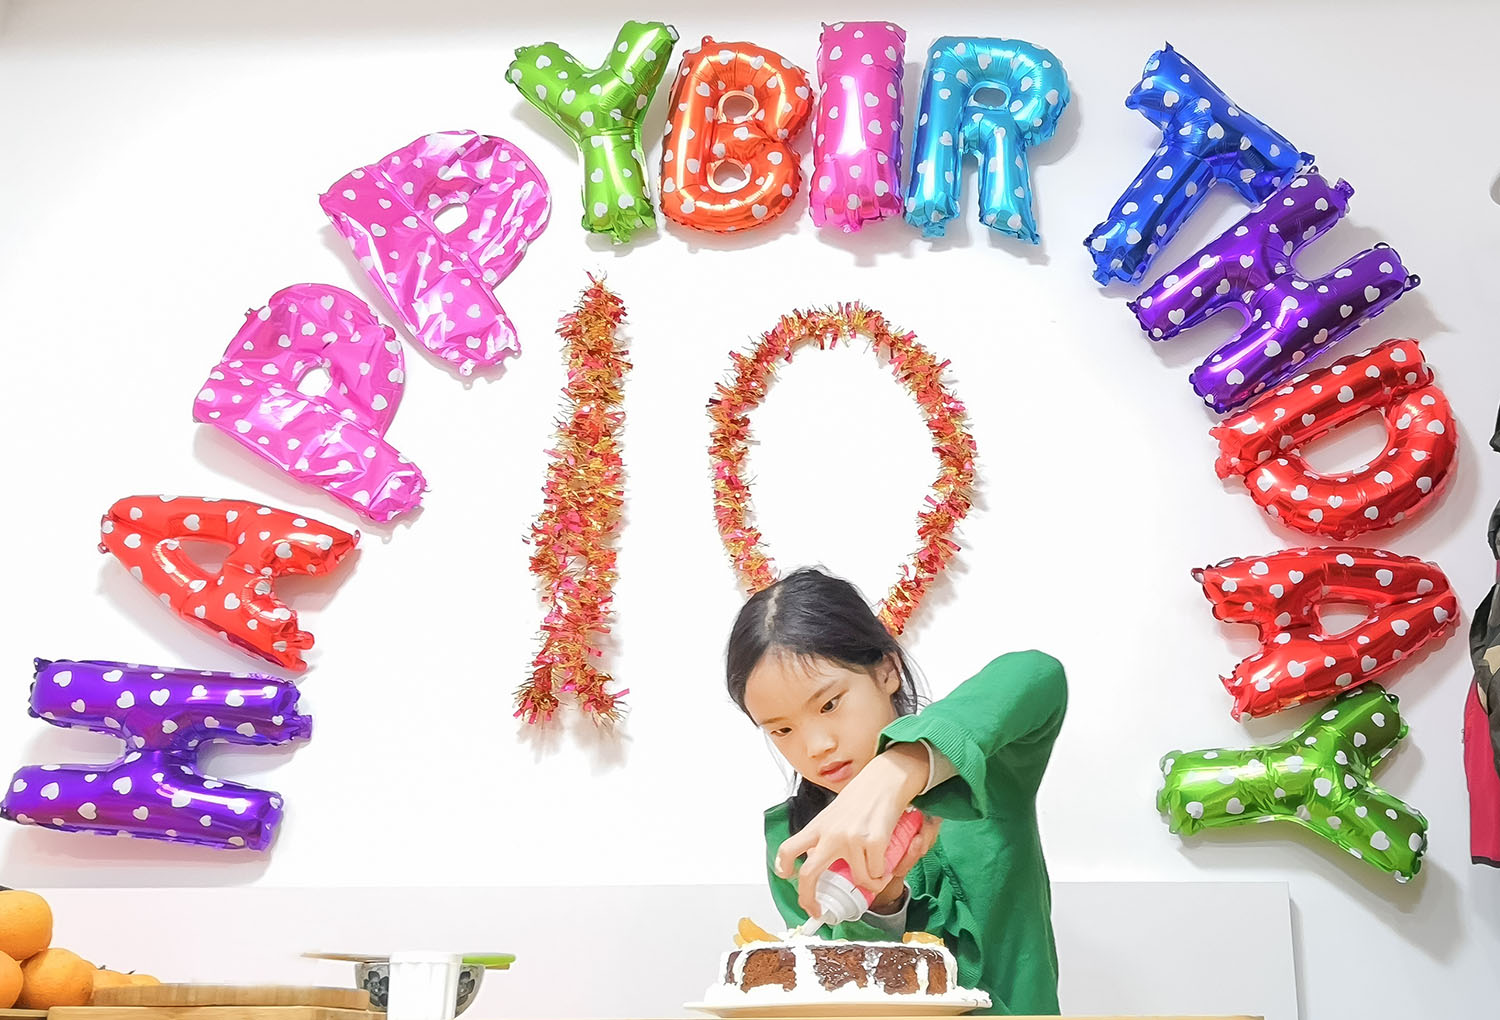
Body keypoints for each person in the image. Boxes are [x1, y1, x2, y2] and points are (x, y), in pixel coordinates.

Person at [725, 567, 1068, 1016]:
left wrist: (899, 767)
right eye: (782, 730)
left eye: (829, 704)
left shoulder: (981, 771)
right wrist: (883, 902)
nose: (816, 747)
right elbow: (843, 1000)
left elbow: (1037, 673)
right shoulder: (796, 846)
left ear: (888, 669)